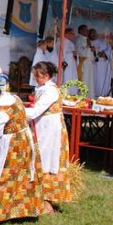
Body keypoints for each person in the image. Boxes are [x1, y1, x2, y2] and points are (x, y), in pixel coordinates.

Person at [0, 80, 42, 225]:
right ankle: (25, 211)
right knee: (23, 176)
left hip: (11, 146)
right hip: (25, 141)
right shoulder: (15, 98)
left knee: (1, 179)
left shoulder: (0, 112)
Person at [25, 62, 72, 214]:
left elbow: (36, 111)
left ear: (46, 76)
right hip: (44, 127)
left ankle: (46, 203)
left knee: (46, 161)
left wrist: (16, 108)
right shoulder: (43, 89)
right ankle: (43, 200)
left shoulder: (50, 91)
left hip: (50, 131)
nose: (35, 78)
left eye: (37, 76)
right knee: (42, 159)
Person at [89, 28, 112, 97]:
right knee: (94, 79)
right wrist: (96, 53)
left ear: (96, 34)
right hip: (94, 64)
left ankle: (104, 93)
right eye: (91, 33)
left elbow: (110, 50)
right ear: (89, 35)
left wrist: (105, 53)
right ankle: (95, 93)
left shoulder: (103, 42)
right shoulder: (88, 42)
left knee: (103, 79)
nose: (93, 35)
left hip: (103, 64)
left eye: (94, 33)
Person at [75, 25, 95, 98]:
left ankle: (90, 96)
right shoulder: (78, 39)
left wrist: (92, 49)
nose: (87, 31)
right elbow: (79, 50)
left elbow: (92, 51)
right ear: (80, 31)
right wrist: (88, 48)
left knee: (90, 81)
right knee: (84, 79)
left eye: (87, 30)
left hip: (89, 63)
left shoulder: (88, 40)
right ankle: (82, 96)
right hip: (83, 62)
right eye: (85, 30)